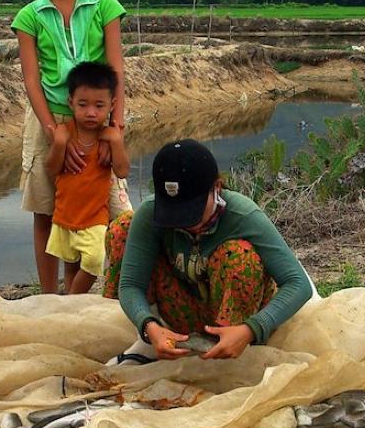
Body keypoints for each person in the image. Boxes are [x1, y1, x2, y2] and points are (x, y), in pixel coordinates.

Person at [104, 139, 314, 360]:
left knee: (238, 254)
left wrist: (252, 328)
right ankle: (163, 338)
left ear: (216, 188)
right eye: (172, 212)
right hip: (181, 310)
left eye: (191, 210)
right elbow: (131, 285)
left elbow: (298, 284)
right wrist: (148, 324)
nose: (183, 222)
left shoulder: (243, 215)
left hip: (235, 314)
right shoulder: (149, 214)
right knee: (122, 229)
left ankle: (229, 344)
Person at [13, 0, 127, 294]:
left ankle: (83, 292)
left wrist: (117, 126)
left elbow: (116, 69)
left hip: (95, 120)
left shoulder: (105, 6)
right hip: (50, 121)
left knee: (108, 211)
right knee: (50, 210)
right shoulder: (30, 16)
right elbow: (32, 79)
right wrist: (54, 131)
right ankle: (50, 299)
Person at [45, 61, 129, 295]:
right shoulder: (64, 132)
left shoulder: (107, 137)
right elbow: (51, 168)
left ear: (111, 105)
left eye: (99, 106)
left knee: (93, 263)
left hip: (95, 219)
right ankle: (73, 308)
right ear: (70, 102)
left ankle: (71, 299)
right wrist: (60, 143)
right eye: (83, 104)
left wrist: (116, 141)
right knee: (71, 266)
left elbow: (122, 171)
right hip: (65, 217)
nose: (91, 112)